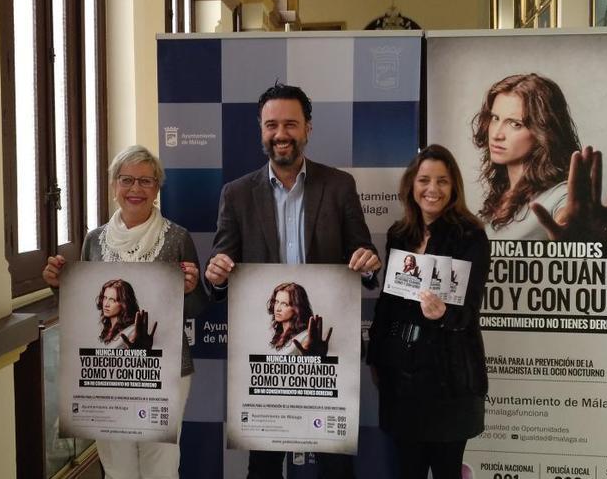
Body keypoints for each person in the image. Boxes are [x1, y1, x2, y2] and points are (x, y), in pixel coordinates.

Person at [204, 83, 381, 479]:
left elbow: (363, 255)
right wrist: (215, 276)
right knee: (263, 467)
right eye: (271, 125)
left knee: (336, 467)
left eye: (290, 124)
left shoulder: (339, 186)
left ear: (308, 129)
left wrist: (368, 263)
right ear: (261, 131)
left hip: (325, 352)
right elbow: (221, 268)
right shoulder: (236, 195)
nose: (280, 134)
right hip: (266, 352)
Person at [43, 145, 207, 479]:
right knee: (117, 468)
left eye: (146, 181)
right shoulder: (94, 240)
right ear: (114, 186)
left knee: (161, 466)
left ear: (157, 188)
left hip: (165, 370)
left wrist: (190, 290)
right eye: (127, 180)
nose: (135, 189)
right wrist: (59, 285)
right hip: (107, 372)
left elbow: (197, 307)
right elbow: (85, 307)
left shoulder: (177, 238)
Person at [367, 145, 490, 479]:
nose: (432, 189)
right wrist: (376, 357)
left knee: (447, 471)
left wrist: (443, 315)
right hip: (402, 380)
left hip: (448, 380)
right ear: (411, 185)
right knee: (408, 470)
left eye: (442, 181)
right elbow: (388, 305)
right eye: (424, 180)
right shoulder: (400, 234)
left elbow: (469, 310)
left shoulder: (471, 236)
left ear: (453, 188)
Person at [471, 73, 607, 240]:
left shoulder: (561, 195)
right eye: (495, 118)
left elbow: (568, 217)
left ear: (543, 132)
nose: (496, 134)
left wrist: (579, 241)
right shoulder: (501, 195)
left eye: (515, 124)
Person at [267, 282, 330, 356]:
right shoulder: (280, 335)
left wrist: (316, 358)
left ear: (297, 308)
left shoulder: (306, 337)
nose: (277, 308)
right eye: (276, 302)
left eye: (285, 304)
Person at [96, 278, 155, 349]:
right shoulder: (108, 330)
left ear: (125, 303)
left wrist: (142, 352)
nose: (106, 304)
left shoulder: (132, 331)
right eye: (105, 298)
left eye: (112, 300)